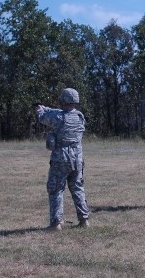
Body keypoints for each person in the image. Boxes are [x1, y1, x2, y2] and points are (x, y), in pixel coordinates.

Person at [35, 88, 90, 231]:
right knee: (77, 188)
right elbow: (60, 112)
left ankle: (56, 223)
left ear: (63, 100)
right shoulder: (79, 116)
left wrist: (40, 110)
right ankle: (84, 220)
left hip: (61, 158)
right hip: (77, 158)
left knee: (56, 190)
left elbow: (43, 118)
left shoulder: (57, 117)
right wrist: (46, 107)